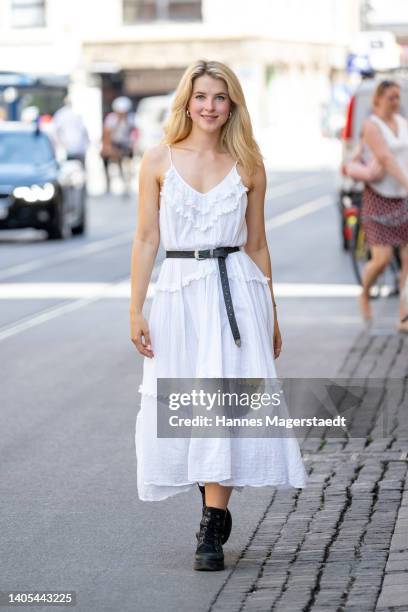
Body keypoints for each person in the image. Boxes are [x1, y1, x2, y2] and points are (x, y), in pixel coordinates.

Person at [129, 59, 308, 572]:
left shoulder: (248, 163)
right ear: (187, 100)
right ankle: (211, 494)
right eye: (202, 95)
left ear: (233, 105)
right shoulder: (157, 159)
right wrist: (135, 308)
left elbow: (257, 243)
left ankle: (211, 526)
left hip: (237, 292)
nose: (210, 106)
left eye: (220, 97)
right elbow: (146, 239)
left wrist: (271, 314)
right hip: (179, 294)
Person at [356, 80, 408, 332]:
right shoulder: (371, 126)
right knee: (382, 259)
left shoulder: (403, 123)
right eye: (391, 97)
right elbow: (386, 158)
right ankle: (365, 293)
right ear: (378, 99)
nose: (395, 102)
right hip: (379, 197)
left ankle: (404, 317)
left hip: (403, 197)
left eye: (398, 97)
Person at [101, 96, 135, 194]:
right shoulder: (111, 119)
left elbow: (135, 133)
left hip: (125, 144)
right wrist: (107, 147)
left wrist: (132, 144)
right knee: (105, 159)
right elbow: (106, 134)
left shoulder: (131, 119)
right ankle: (108, 183)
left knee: (126, 163)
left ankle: (126, 183)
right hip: (114, 143)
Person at [52, 97, 89, 166]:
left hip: (74, 147)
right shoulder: (67, 114)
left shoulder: (62, 114)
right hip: (74, 148)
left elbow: (56, 131)